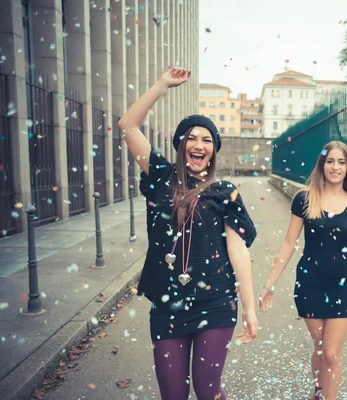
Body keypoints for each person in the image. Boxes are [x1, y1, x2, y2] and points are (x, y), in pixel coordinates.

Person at [119, 67, 258, 400]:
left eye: (207, 140)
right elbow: (128, 126)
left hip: (216, 302)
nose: (199, 144)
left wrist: (249, 308)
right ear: (180, 145)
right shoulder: (160, 178)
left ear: (213, 151)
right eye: (192, 138)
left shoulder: (224, 192)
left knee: (208, 393)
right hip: (167, 303)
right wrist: (162, 85)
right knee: (173, 395)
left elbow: (238, 251)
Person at [259, 141, 347, 400]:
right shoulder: (304, 199)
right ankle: (318, 389)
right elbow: (288, 244)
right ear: (322, 165)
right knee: (319, 347)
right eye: (330, 161)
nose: (335, 167)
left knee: (331, 353)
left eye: (341, 162)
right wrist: (269, 285)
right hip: (310, 285)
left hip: (342, 286)